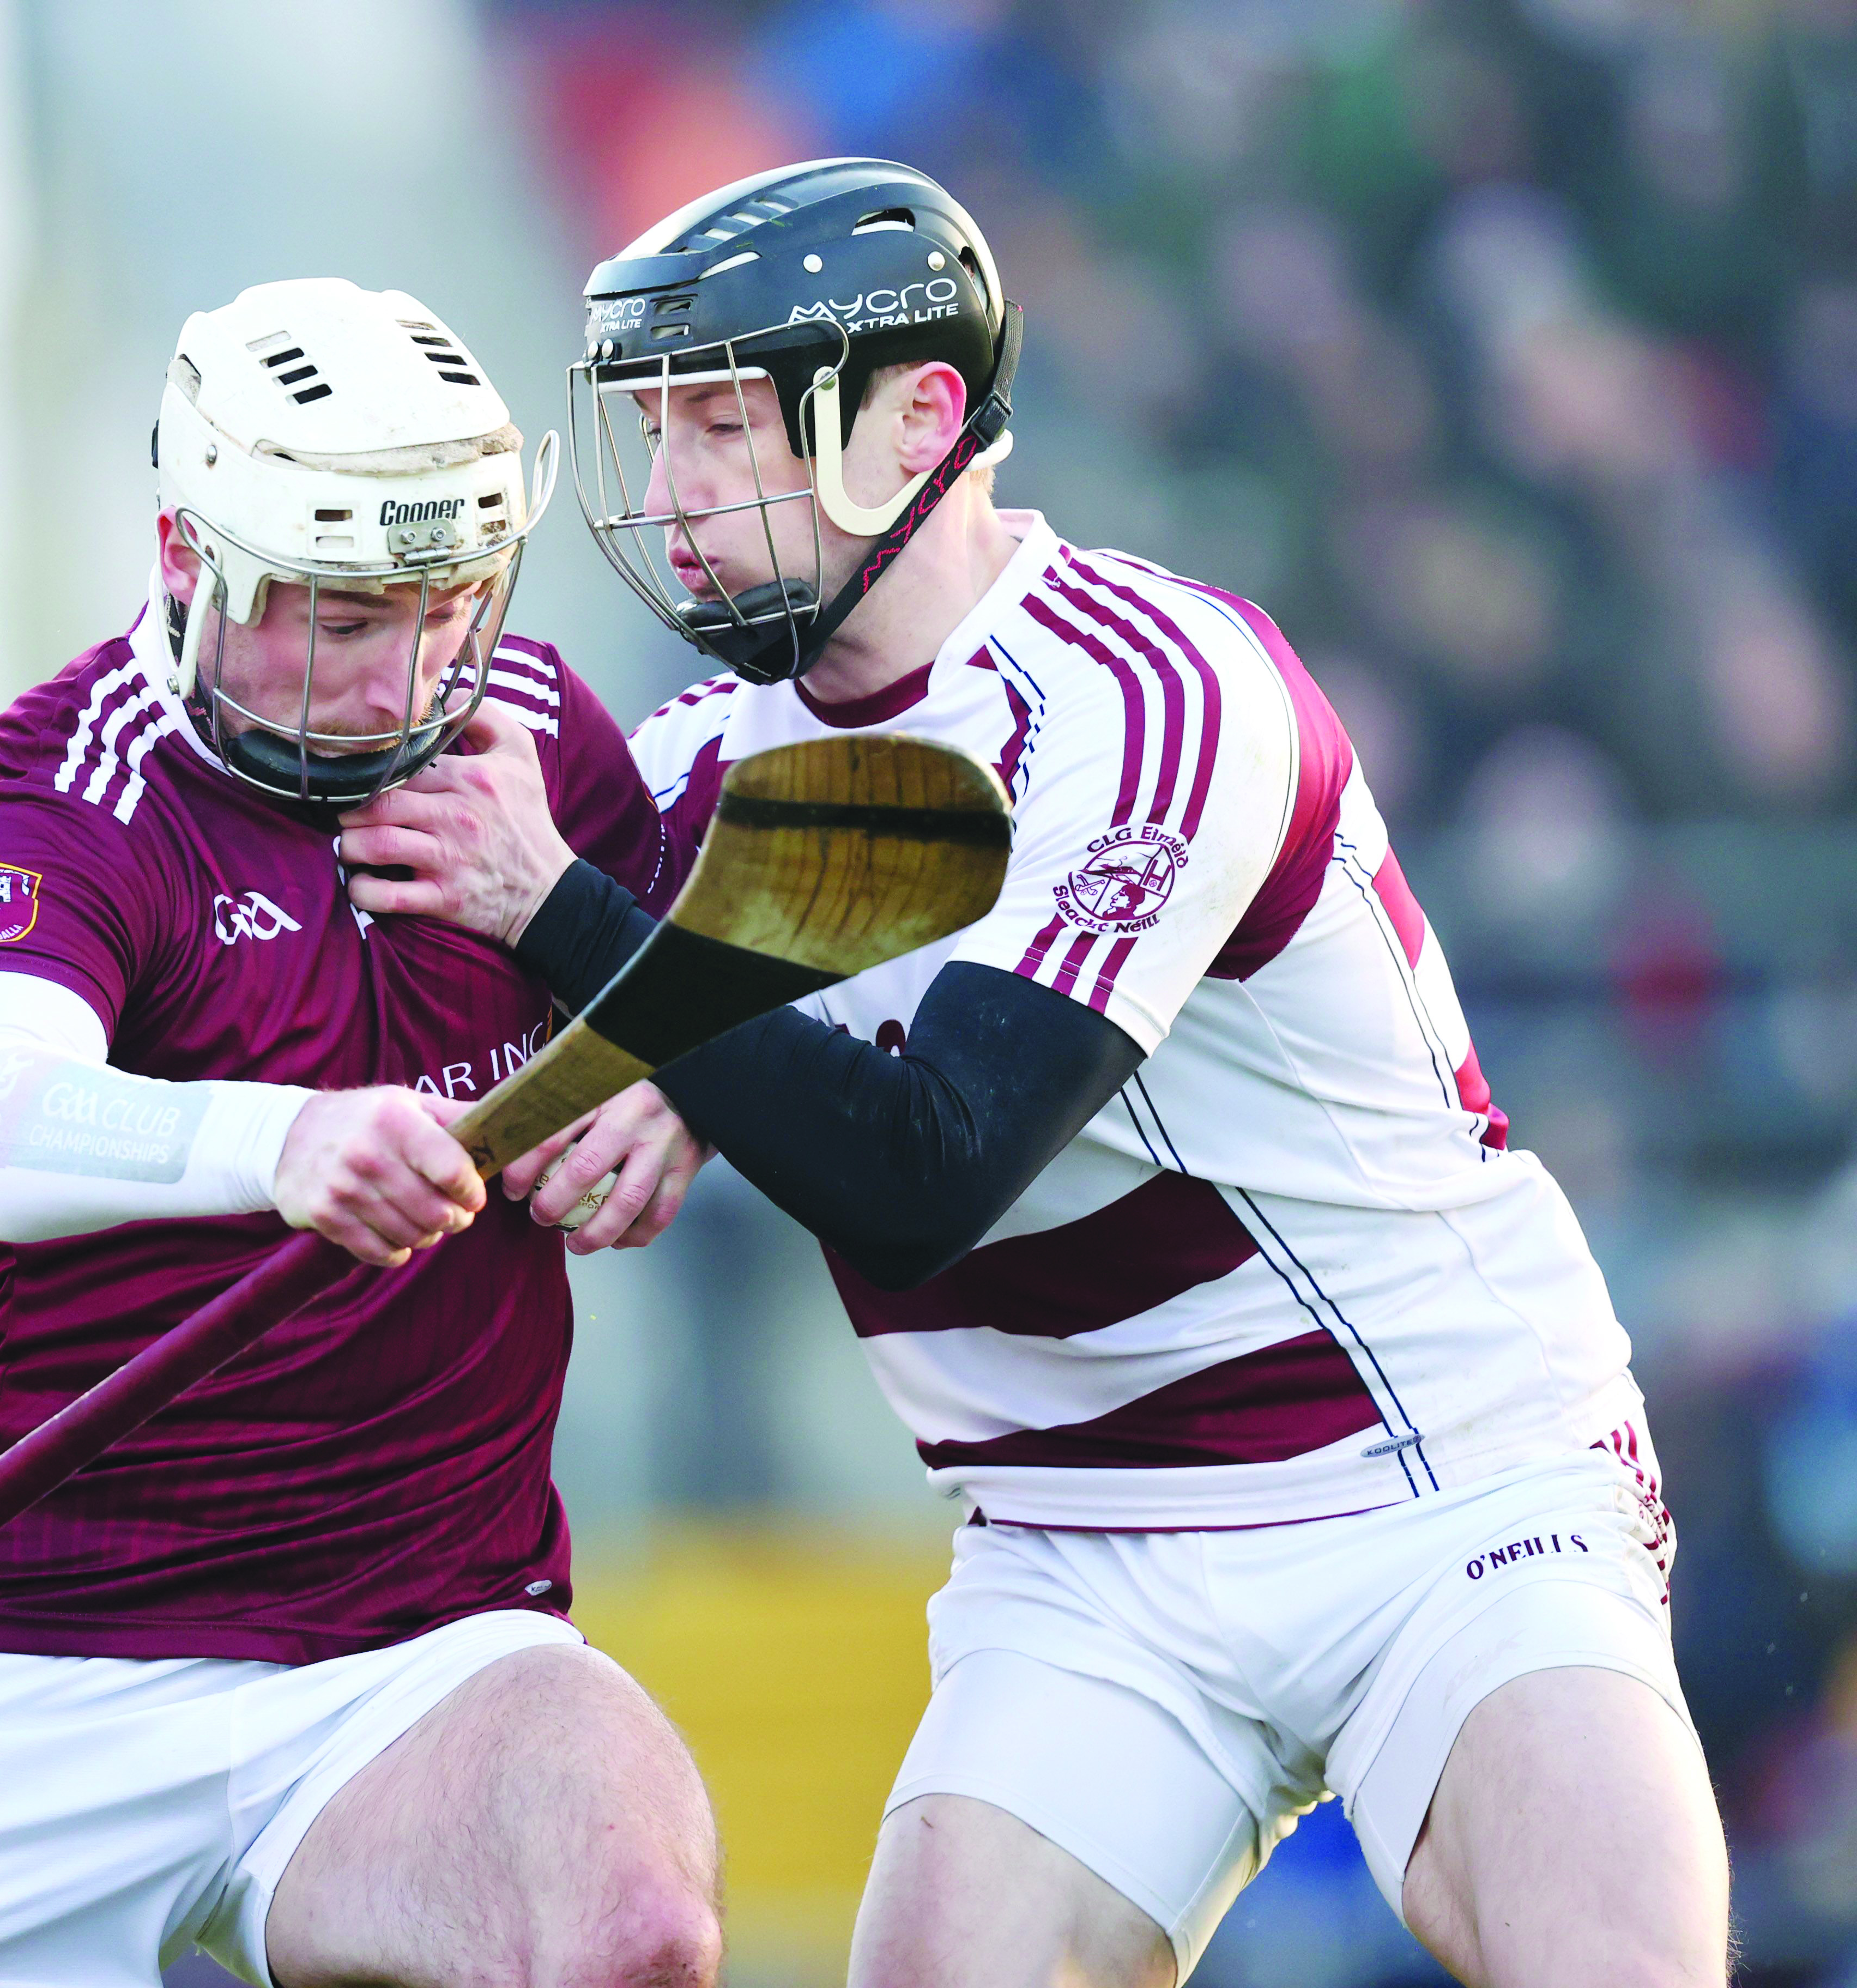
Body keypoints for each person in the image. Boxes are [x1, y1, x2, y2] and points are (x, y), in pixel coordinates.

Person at [337, 160, 1725, 1988]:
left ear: (917, 425)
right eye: (654, 432)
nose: (670, 497)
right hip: (1080, 1553)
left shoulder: (1155, 698)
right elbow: (377, 1129)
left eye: (725, 429)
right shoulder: (682, 773)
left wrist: (604, 951)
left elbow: (932, 1173)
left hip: (1440, 1478)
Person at [0, 277, 722, 1988]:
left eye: (449, 604)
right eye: (341, 613)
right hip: (53, 1662)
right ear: (186, 552)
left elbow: (708, 980)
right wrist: (279, 1145)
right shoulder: (67, 792)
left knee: (632, 1930)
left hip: (428, 1647)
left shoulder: (533, 736)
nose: (404, 678)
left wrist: (676, 1086)